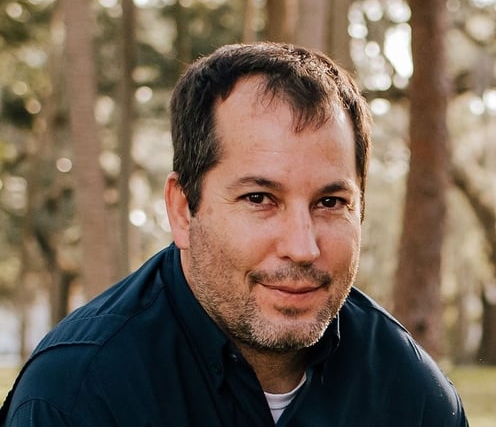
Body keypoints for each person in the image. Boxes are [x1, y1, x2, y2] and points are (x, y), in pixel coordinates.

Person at [1, 43, 468, 426]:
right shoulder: (77, 397)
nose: (302, 247)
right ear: (183, 209)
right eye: (260, 199)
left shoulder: (411, 395)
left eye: (330, 203)